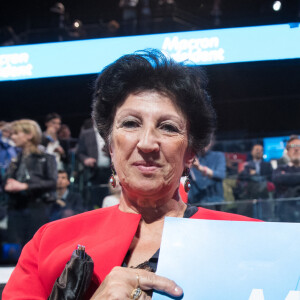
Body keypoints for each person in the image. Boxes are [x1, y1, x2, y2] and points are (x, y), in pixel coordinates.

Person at [3, 49, 258, 299]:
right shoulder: (48, 243)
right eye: (130, 123)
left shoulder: (252, 241)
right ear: (111, 146)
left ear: (190, 153)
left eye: (168, 127)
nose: (147, 143)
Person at [3, 119, 57, 248]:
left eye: (16, 133)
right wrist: (7, 184)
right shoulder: (14, 159)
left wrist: (25, 186)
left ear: (29, 135)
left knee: (36, 246)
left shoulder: (46, 158)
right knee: (18, 246)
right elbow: (7, 181)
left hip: (37, 207)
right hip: (16, 207)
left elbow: (52, 182)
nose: (12, 137)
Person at [76, 119, 111, 208]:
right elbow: (80, 152)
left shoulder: (111, 132)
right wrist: (85, 159)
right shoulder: (86, 134)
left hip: (111, 171)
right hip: (93, 172)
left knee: (110, 194)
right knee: (94, 198)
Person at [188, 138, 226, 204]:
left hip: (215, 200)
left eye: (206, 141)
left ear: (212, 142)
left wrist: (199, 168)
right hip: (196, 201)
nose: (204, 144)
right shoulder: (191, 157)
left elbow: (221, 175)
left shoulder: (218, 156)